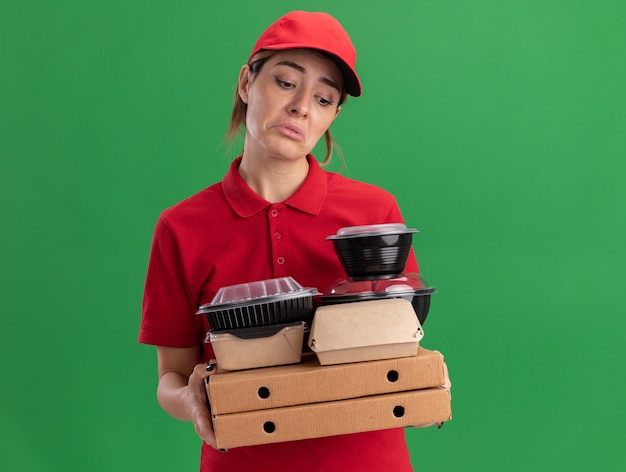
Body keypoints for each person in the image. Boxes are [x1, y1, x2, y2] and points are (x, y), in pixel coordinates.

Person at [139, 10, 425, 472]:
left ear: (332, 114)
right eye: (286, 82)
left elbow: (402, 347)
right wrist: (190, 400)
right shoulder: (181, 227)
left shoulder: (373, 217)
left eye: (324, 97)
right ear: (246, 83)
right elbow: (171, 377)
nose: (301, 107)